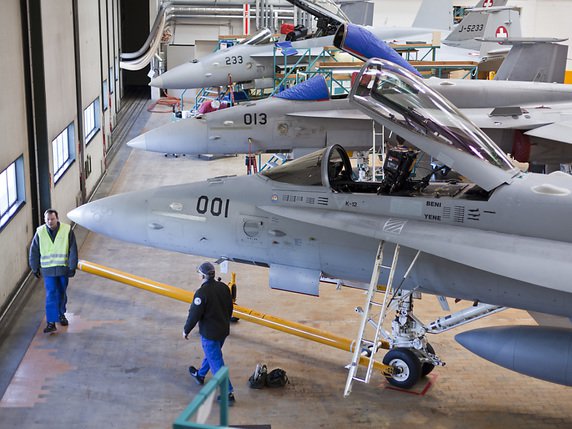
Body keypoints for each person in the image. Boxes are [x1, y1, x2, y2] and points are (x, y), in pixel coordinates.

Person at [184, 261, 235, 404]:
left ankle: (227, 393)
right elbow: (230, 308)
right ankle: (200, 375)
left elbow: (194, 314)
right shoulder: (224, 287)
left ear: (202, 276)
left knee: (216, 363)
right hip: (223, 330)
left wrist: (186, 330)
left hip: (210, 334)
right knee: (213, 355)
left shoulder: (201, 293)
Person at [29, 209, 78, 333]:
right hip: (48, 270)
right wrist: (34, 267)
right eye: (47, 219)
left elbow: (73, 249)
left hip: (63, 269)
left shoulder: (67, 230)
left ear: (57, 218)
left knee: (61, 292)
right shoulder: (40, 232)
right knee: (51, 294)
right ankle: (51, 322)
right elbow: (34, 251)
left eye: (52, 219)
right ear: (45, 220)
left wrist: (72, 266)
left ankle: (61, 314)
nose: (50, 221)